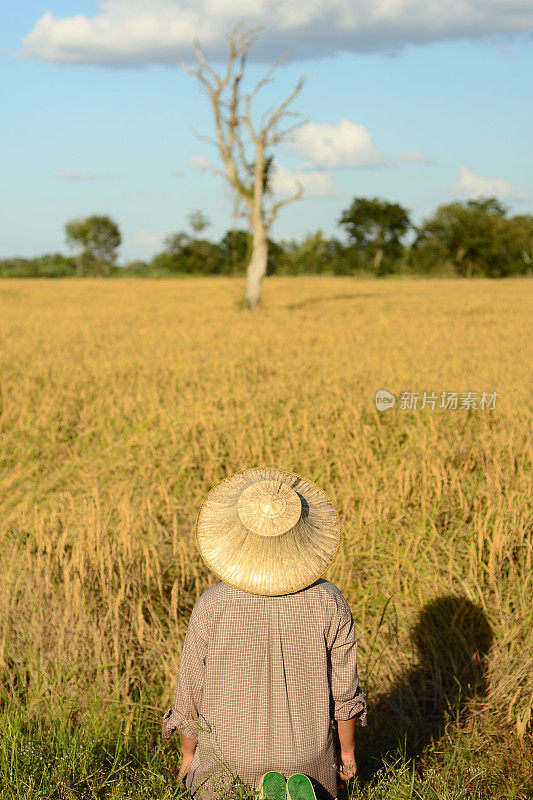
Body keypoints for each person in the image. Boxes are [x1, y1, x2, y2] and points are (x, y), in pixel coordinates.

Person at [162, 468, 367, 800]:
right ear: (304, 536)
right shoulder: (329, 600)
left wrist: (189, 755)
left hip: (226, 759)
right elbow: (344, 693)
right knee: (315, 778)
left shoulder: (212, 605)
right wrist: (346, 755)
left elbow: (190, 694)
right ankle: (294, 788)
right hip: (307, 759)